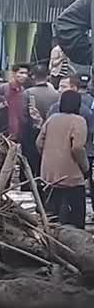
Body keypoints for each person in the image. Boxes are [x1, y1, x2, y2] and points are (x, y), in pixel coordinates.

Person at [37, 90, 89, 229]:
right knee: (74, 218)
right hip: (71, 176)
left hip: (49, 175)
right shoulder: (79, 121)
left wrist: (49, 157)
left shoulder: (52, 119)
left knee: (51, 216)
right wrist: (86, 168)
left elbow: (39, 143)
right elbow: (77, 148)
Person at [47, 73, 94, 208]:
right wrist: (85, 168)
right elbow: (81, 145)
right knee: (73, 204)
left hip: (53, 170)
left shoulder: (53, 115)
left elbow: (40, 142)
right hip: (74, 169)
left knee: (54, 203)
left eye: (63, 86)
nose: (60, 89)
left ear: (74, 87)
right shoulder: (83, 115)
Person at [22, 65, 60, 177]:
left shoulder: (28, 93)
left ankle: (27, 185)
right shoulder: (56, 94)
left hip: (31, 131)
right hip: (50, 131)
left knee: (28, 161)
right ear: (47, 76)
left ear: (33, 76)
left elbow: (23, 115)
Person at [0, 64, 30, 141]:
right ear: (13, 73)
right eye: (21, 73)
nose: (24, 76)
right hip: (3, 133)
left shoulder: (24, 92)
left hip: (18, 135)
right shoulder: (3, 88)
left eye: (26, 74)